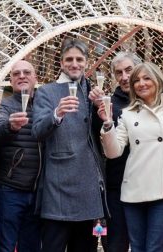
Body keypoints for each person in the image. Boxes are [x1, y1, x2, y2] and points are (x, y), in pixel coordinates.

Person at [99, 62, 163, 252]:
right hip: (133, 191)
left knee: (155, 248)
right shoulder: (127, 114)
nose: (141, 83)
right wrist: (107, 125)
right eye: (137, 80)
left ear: (157, 79)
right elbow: (113, 152)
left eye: (146, 78)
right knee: (137, 248)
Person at [32, 38, 106, 252]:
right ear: (62, 63)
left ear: (86, 62)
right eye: (69, 59)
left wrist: (101, 109)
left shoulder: (94, 91)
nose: (75, 64)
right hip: (58, 187)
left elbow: (102, 134)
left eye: (79, 59)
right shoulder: (46, 92)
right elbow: (37, 131)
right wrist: (57, 113)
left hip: (89, 188)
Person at [89, 52, 141, 252]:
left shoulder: (153, 102)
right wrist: (96, 110)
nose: (124, 77)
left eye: (129, 70)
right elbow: (96, 137)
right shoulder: (108, 103)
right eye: (119, 73)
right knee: (115, 244)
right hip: (116, 184)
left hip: (146, 185)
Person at [0, 60, 42, 252]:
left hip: (39, 192)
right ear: (11, 81)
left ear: (35, 78)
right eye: (16, 74)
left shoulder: (43, 105)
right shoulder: (3, 106)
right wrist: (10, 126)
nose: (22, 76)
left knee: (32, 246)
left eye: (27, 72)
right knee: (5, 245)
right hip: (10, 189)